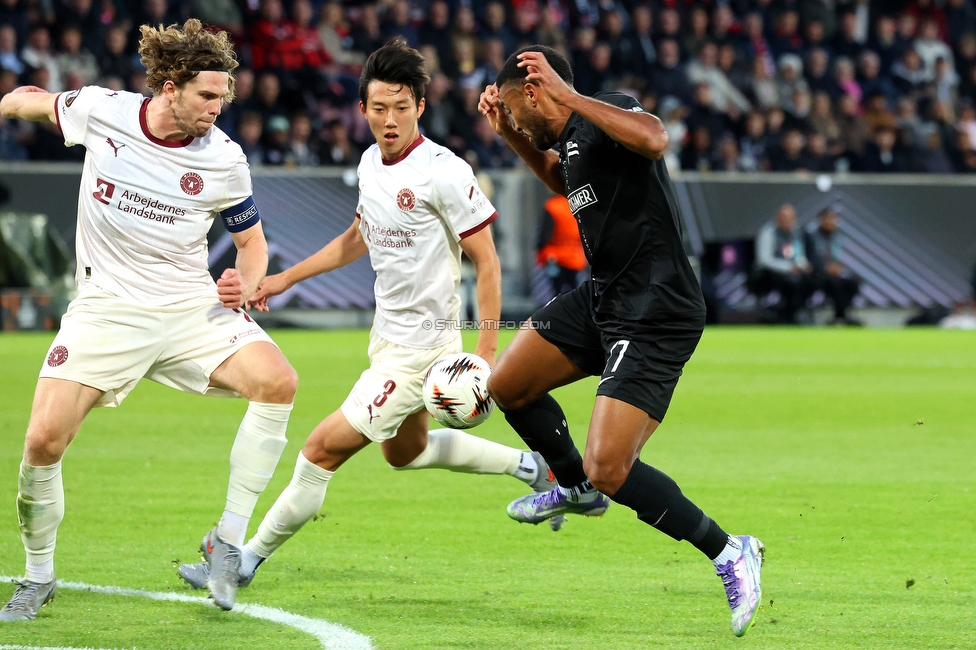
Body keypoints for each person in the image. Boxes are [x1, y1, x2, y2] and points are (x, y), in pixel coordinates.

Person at [175, 39, 561, 610]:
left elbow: (487, 261)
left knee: (319, 451)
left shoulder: (444, 171)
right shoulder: (369, 163)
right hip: (388, 340)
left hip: (421, 351)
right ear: (363, 109)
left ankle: (241, 558)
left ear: (421, 107)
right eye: (379, 108)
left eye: (402, 107)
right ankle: (533, 467)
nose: (390, 119)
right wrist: (282, 280)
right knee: (404, 452)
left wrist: (484, 355)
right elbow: (357, 236)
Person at [0, 19, 299, 620]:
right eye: (206, 95)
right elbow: (30, 102)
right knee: (42, 442)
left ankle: (227, 540)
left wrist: (246, 280)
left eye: (223, 97)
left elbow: (252, 243)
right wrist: (9, 103)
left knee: (278, 382)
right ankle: (38, 575)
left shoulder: (225, 159)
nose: (217, 108)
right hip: (107, 309)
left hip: (190, 306)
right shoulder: (103, 111)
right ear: (169, 87)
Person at [477, 45, 765, 637]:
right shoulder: (571, 145)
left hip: (656, 309)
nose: (518, 120)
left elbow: (655, 139)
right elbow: (564, 181)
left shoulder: (606, 110)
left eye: (514, 108)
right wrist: (509, 135)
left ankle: (729, 550)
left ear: (534, 90)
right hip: (605, 296)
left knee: (610, 465)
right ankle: (574, 487)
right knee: (509, 384)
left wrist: (569, 95)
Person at [752, 203, 814, 324]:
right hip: (770, 273)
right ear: (777, 219)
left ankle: (792, 313)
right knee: (785, 283)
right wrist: (788, 267)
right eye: (784, 218)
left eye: (790, 219)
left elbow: (799, 256)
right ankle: (780, 314)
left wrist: (803, 266)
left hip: (792, 273)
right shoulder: (768, 233)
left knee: (811, 281)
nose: (787, 222)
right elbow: (764, 259)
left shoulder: (796, 234)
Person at [804, 207, 861, 325]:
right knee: (834, 284)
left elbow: (836, 257)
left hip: (832, 274)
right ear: (821, 219)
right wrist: (825, 268)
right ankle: (840, 317)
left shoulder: (836, 237)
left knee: (853, 283)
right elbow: (811, 257)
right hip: (817, 274)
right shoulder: (810, 236)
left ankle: (840, 315)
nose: (832, 222)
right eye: (829, 219)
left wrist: (837, 266)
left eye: (834, 219)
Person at [535, 193, 587, 298]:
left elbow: (544, 234)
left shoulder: (552, 206)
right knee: (574, 292)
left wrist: (539, 250)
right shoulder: (577, 204)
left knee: (556, 292)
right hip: (575, 257)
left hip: (555, 257)